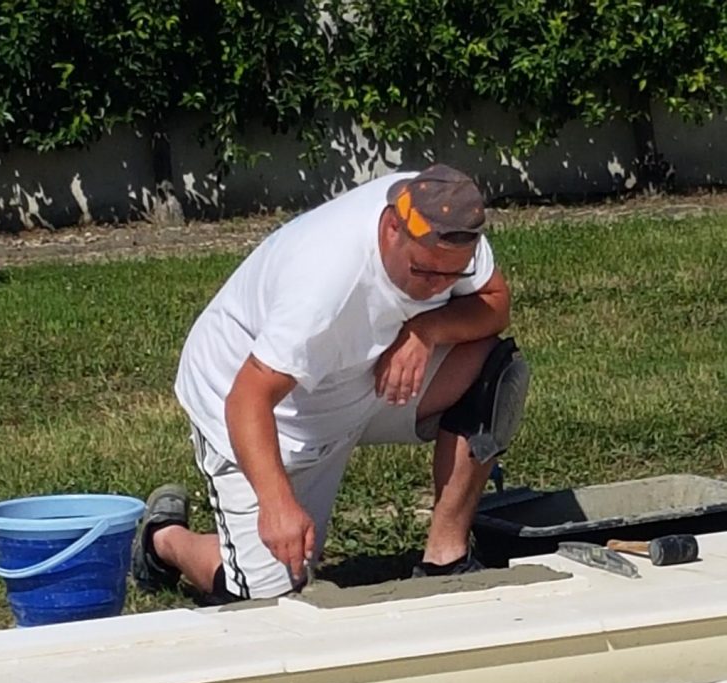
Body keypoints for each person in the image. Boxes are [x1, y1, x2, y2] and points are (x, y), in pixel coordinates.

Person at [132, 164, 529, 604]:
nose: (437, 287)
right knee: (266, 603)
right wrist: (277, 504)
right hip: (269, 414)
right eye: (424, 272)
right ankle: (165, 540)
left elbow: (494, 304)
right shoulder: (322, 283)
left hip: (361, 379)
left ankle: (445, 559)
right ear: (392, 228)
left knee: (494, 369)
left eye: (451, 277)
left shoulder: (447, 213)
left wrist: (427, 329)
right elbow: (248, 396)